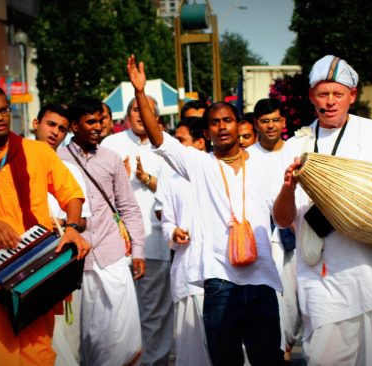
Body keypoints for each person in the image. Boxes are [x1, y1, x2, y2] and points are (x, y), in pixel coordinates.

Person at [127, 54, 284, 366]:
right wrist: (140, 93)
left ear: (240, 126)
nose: (222, 127)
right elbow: (158, 136)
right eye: (215, 122)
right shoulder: (199, 164)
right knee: (224, 360)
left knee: (268, 359)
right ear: (208, 130)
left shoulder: (265, 164)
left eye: (227, 120)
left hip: (262, 279)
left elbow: (283, 216)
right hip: (220, 282)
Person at [274, 55, 372, 365]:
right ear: (311, 96)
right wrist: (288, 188)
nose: (330, 102)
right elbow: (283, 218)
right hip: (321, 279)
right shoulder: (295, 146)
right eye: (322, 93)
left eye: (338, 94)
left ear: (352, 96)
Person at [0, 84, 91, 365]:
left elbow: (71, 194)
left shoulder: (38, 152)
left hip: (38, 267)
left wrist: (71, 227)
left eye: (3, 110)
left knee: (40, 354)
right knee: (2, 357)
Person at [58, 97, 146, 366]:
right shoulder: (56, 160)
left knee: (120, 335)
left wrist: (139, 251)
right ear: (74, 125)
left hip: (112, 257)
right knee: (79, 336)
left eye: (101, 120)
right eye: (91, 121)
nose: (98, 127)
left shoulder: (111, 159)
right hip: (72, 259)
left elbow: (129, 208)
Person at [100, 95, 174, 365]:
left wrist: (148, 180)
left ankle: (155, 362)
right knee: (118, 314)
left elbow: (177, 192)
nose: (142, 115)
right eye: (136, 109)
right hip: (116, 245)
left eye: (148, 111)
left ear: (157, 116)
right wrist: (116, 176)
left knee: (154, 313)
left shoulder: (167, 146)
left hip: (154, 241)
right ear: (128, 115)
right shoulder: (112, 144)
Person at [32, 103, 92, 365]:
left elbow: (84, 220)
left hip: (62, 262)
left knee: (67, 338)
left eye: (62, 129)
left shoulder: (71, 171)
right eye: (51, 124)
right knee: (32, 340)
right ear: (36, 123)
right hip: (26, 263)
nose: (55, 132)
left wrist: (68, 225)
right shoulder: (14, 164)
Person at [247, 98, 301, 361]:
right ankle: (283, 353)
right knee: (278, 303)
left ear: (284, 121)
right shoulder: (247, 157)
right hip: (266, 240)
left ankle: (289, 347)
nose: (271, 126)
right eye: (265, 121)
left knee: (297, 304)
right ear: (256, 124)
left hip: (300, 236)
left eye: (275, 120)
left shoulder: (296, 151)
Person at [155, 117, 211, 365]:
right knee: (191, 350)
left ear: (200, 143)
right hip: (187, 271)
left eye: (181, 140)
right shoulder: (170, 175)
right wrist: (173, 231)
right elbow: (166, 220)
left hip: (220, 271)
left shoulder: (217, 170)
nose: (176, 145)